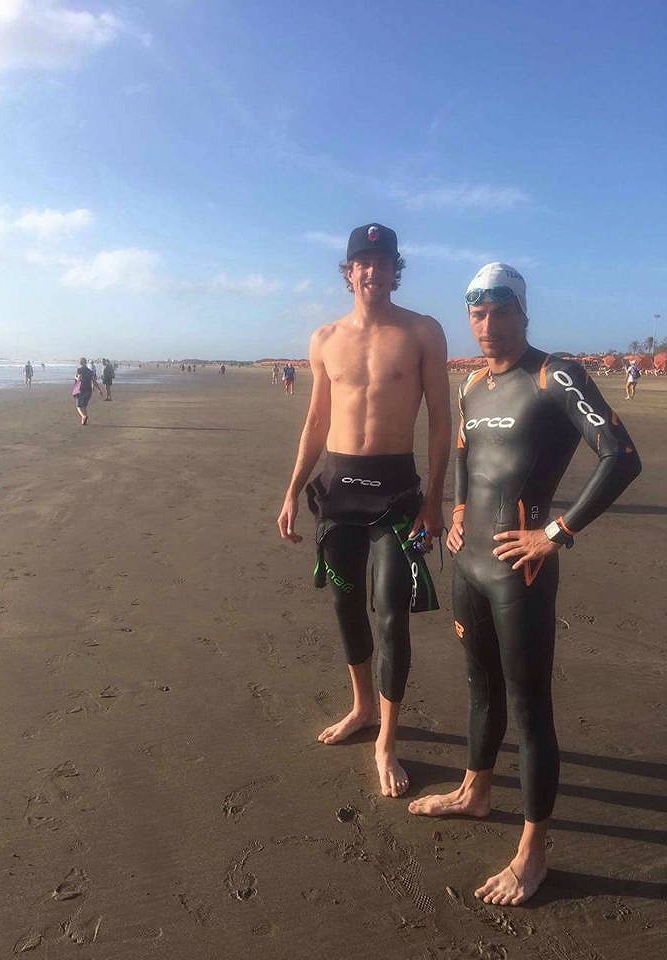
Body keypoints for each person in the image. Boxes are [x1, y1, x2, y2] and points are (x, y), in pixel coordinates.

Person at [408, 263, 641, 905]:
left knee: (530, 707)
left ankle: (532, 852)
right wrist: (459, 509)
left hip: (522, 570)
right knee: (480, 687)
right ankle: (475, 791)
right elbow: (464, 451)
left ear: (522, 312)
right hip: (470, 564)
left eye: (500, 311)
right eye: (477, 313)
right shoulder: (472, 384)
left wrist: (556, 532)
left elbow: (621, 458)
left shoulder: (553, 375)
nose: (488, 324)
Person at [277, 223, 451, 798]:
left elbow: (441, 420)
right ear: (349, 271)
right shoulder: (325, 337)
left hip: (396, 491)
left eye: (383, 260)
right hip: (339, 489)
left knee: (392, 610)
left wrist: (434, 500)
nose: (373, 270)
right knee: (344, 602)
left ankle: (386, 741)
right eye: (363, 261)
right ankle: (362, 708)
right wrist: (291, 492)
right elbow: (315, 421)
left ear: (396, 269)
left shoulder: (422, 331)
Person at [73, 357, 102, 425]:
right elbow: (94, 381)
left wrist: (75, 377)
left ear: (81, 362)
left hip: (81, 389)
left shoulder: (79, 370)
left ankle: (83, 416)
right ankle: (84, 421)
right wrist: (99, 389)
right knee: (84, 406)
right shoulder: (89, 371)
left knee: (78, 406)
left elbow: (79, 379)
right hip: (88, 390)